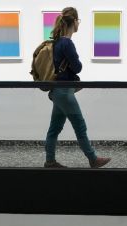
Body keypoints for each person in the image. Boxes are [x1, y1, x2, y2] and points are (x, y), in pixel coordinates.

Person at [44, 7, 111, 169]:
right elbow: (77, 67)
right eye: (78, 21)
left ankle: (50, 161)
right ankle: (93, 159)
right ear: (73, 22)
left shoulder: (57, 42)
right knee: (80, 126)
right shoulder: (67, 43)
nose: (78, 24)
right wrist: (76, 63)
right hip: (65, 93)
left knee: (54, 128)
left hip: (58, 91)